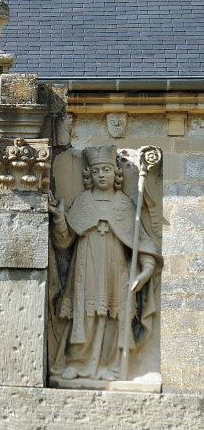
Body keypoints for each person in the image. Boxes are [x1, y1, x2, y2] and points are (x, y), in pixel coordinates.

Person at [48, 145, 161, 381]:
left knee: (114, 315)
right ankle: (78, 364)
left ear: (116, 174)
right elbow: (64, 242)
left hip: (116, 268)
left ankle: (112, 366)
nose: (101, 175)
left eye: (106, 170)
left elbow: (141, 240)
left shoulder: (124, 204)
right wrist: (59, 219)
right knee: (84, 314)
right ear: (88, 174)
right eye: (96, 171)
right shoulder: (82, 202)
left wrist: (146, 269)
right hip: (85, 266)